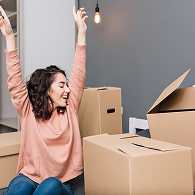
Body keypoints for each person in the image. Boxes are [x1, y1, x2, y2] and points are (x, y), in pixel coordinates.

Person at [0, 5, 88, 195]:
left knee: (51, 184)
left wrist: (81, 33)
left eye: (67, 84)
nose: (68, 89)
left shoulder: (70, 109)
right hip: (29, 176)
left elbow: (79, 72)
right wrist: (9, 38)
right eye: (62, 85)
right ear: (47, 90)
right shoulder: (28, 111)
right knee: (21, 187)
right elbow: (15, 80)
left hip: (59, 183)